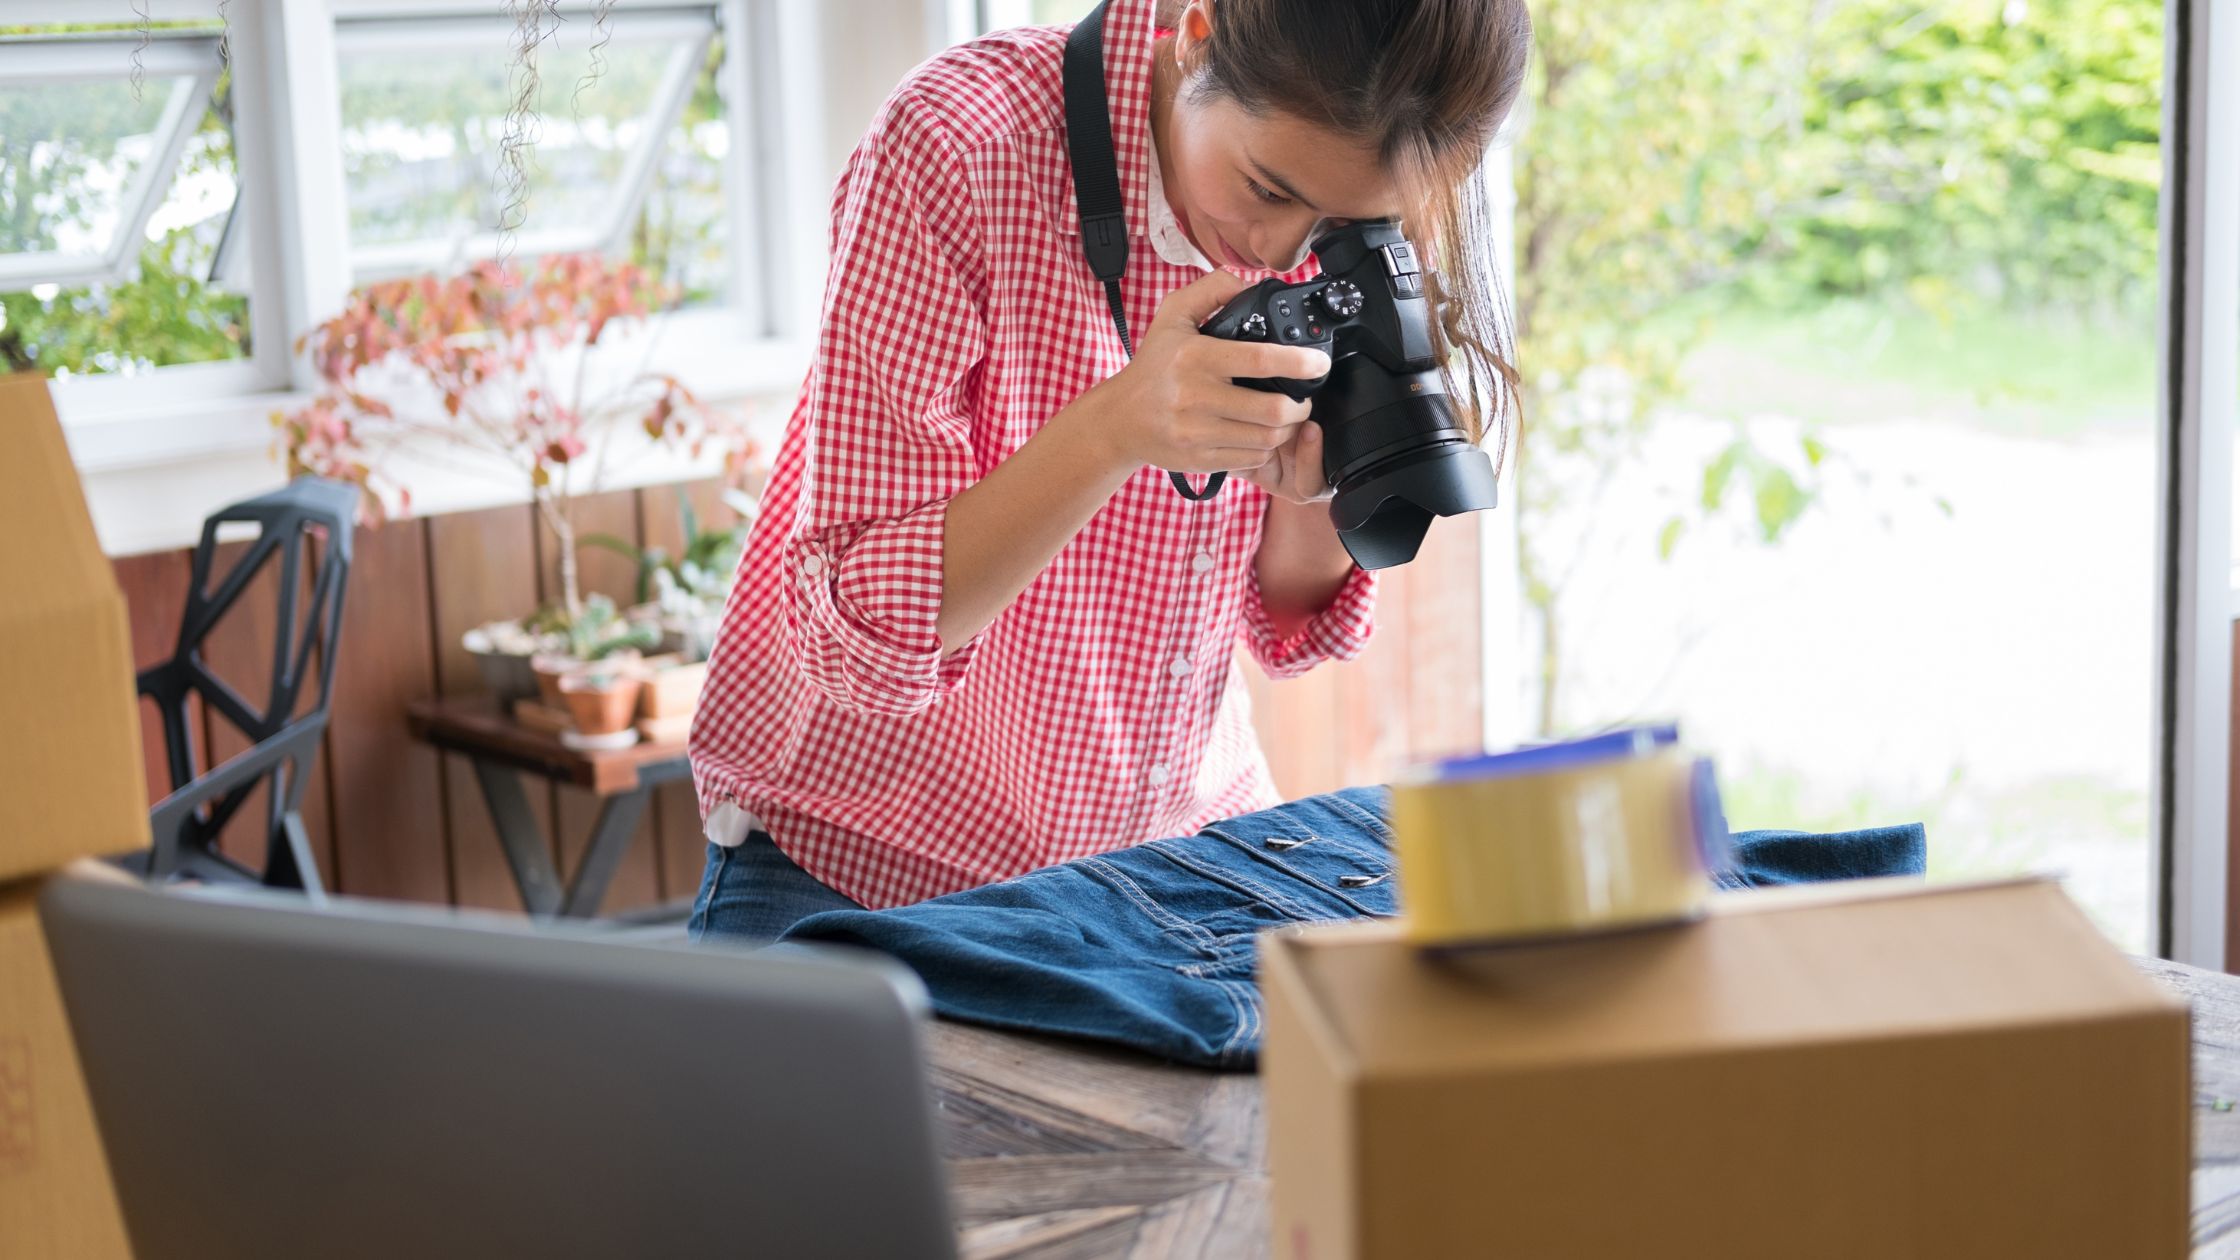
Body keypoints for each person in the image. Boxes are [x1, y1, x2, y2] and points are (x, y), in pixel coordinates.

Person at [687, 0, 1531, 941]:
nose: (1287, 252)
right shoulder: (964, 147)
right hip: (867, 859)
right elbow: (856, 637)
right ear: (1198, 31)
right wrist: (1115, 429)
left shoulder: (1343, 201)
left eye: (1345, 222)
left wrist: (1307, 485)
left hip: (1172, 848)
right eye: (1268, 189)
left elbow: (1291, 630)